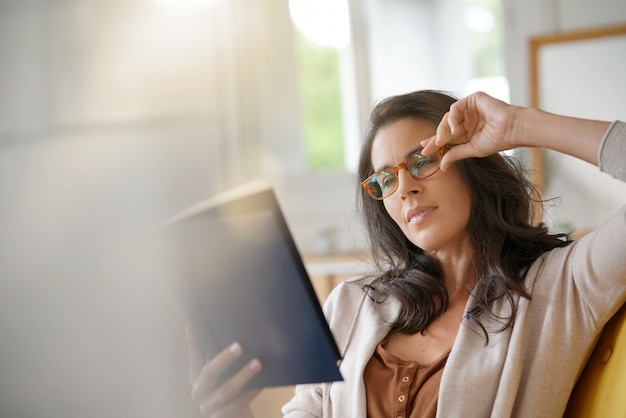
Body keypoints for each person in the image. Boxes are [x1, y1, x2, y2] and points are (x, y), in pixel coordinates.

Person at [186, 90, 626, 417]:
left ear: (474, 163)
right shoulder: (351, 305)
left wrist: (520, 126)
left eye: (421, 161)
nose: (407, 188)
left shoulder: (561, 287)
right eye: (385, 179)